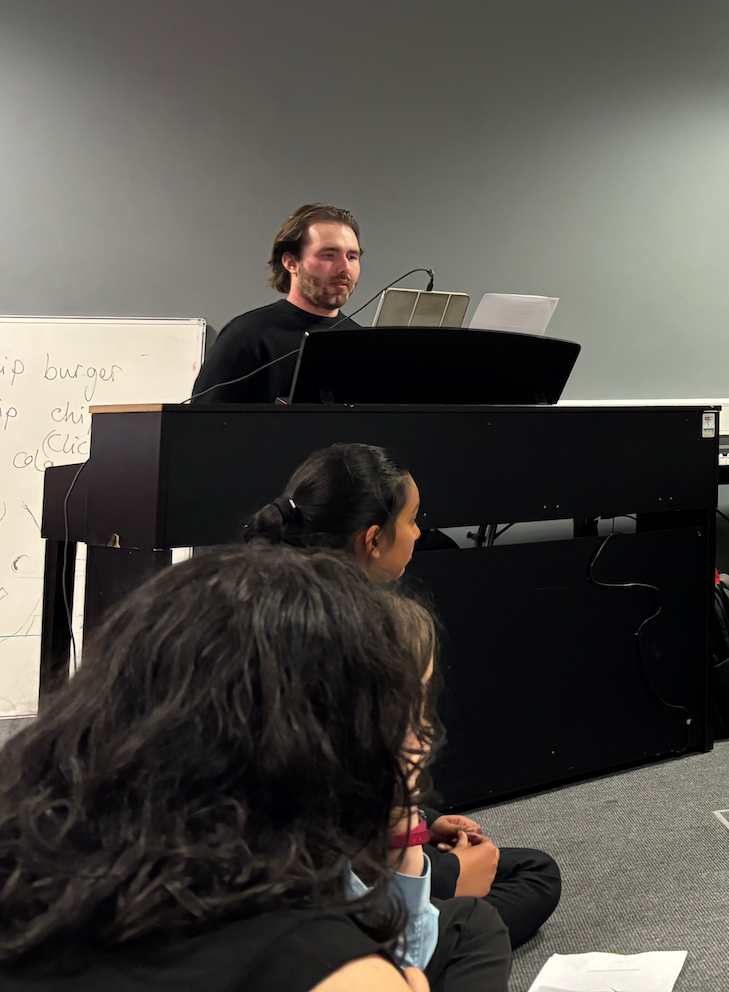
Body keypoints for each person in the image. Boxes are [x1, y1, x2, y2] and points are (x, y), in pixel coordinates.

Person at [0, 545, 509, 992]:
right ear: (321, 736)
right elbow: (398, 952)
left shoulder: (51, 837)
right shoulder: (324, 962)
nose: (426, 731)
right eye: (410, 709)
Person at [244, 445, 563, 945]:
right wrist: (445, 872)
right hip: (318, 882)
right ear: (372, 539)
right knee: (517, 891)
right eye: (414, 520)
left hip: (334, 854)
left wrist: (424, 824)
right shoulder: (344, 648)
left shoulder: (266, 611)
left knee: (525, 867)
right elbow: (330, 810)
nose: (419, 533)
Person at [192, 204, 363, 404]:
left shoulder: (360, 342)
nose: (345, 268)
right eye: (329, 255)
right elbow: (203, 426)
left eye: (352, 257)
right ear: (291, 262)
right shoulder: (246, 336)